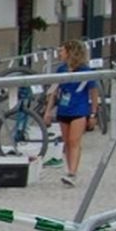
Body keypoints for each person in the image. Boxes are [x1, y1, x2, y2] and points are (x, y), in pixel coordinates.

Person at [44, 39, 99, 186]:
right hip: (64, 109)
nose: (59, 53)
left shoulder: (86, 71)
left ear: (70, 52)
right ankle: (69, 169)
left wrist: (93, 113)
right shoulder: (61, 70)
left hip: (79, 110)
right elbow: (54, 92)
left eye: (62, 50)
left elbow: (93, 93)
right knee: (67, 142)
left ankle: (72, 172)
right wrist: (48, 111)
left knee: (75, 141)